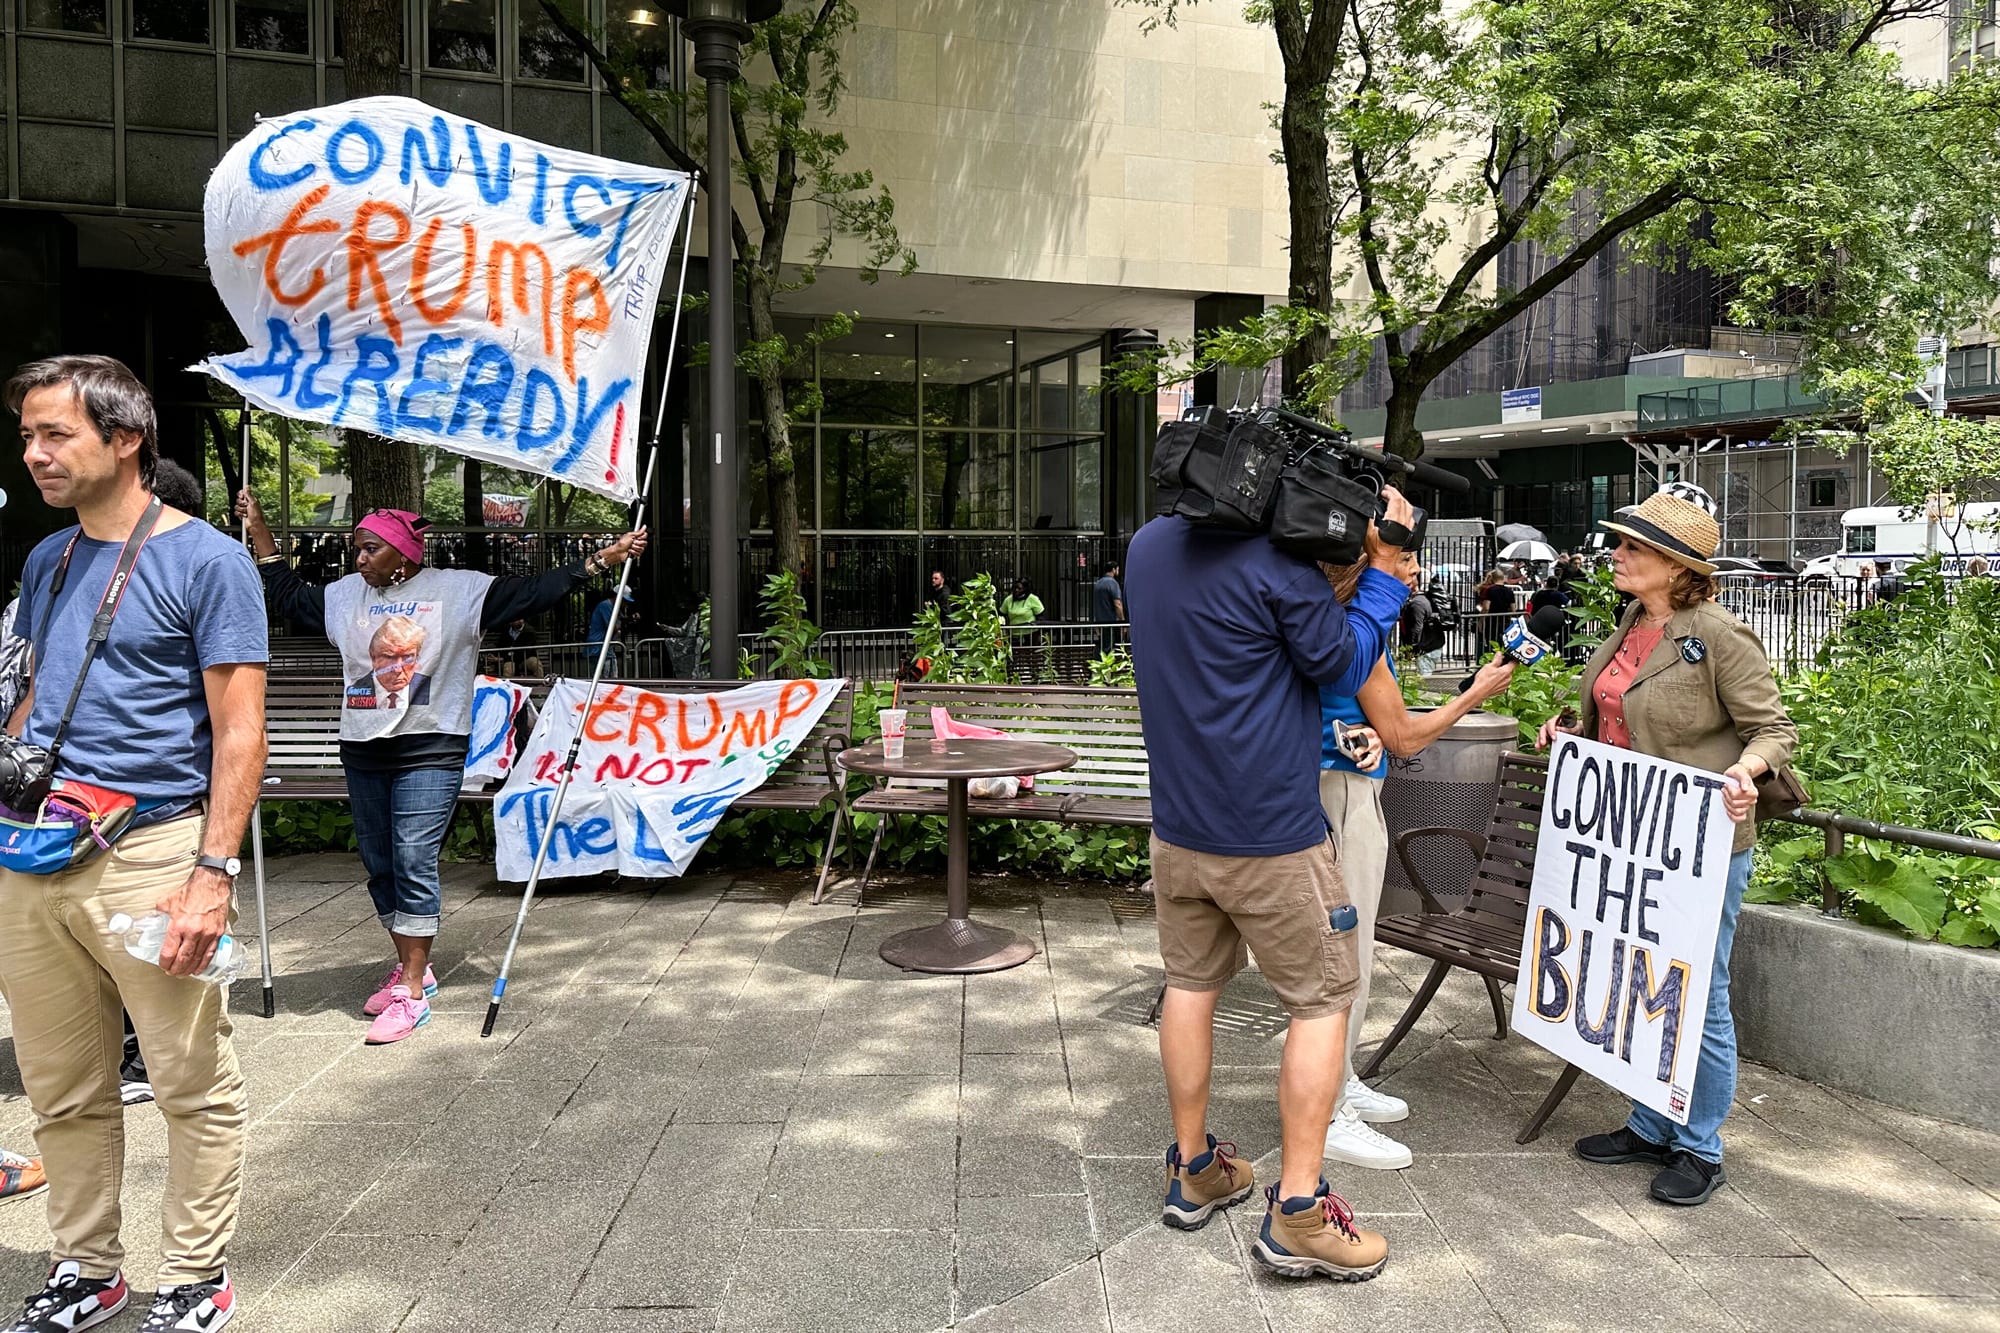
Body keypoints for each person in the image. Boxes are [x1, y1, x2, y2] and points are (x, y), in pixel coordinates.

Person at [3, 355, 268, 1332]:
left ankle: (196, 1275)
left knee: (192, 1079)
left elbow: (241, 730)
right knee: (62, 1087)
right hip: (35, 856)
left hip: (157, 851)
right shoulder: (48, 559)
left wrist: (212, 875)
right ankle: (90, 1269)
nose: (35, 453)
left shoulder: (209, 561)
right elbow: (39, 691)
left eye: (55, 433)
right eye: (27, 435)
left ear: (126, 440)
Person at [1127, 485, 1417, 1284]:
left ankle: (1193, 1167)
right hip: (1272, 840)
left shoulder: (1148, 545)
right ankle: (1298, 1212)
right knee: (1322, 1000)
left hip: (1179, 830)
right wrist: (1385, 563)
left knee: (1189, 983)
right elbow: (1346, 661)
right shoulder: (1279, 567)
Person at [236, 492, 646, 1045]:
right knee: (380, 862)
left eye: (370, 549)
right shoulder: (342, 596)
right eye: (356, 548)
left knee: (412, 853)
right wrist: (259, 528)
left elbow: (535, 592)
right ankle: (413, 963)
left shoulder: (459, 592)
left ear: (403, 555)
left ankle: (409, 988)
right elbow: (286, 595)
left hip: (432, 744)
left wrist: (602, 559)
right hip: (363, 745)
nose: (358, 558)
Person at [1533, 486, 1796, 1208]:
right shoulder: (1628, 623)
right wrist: (1570, 734)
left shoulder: (1718, 635)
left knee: (1699, 991)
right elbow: (1614, 715)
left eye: (1632, 547)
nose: (1615, 554)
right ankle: (1651, 1121)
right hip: (1627, 838)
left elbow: (1776, 730)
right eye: (1619, 543)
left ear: (1677, 566)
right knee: (1637, 975)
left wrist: (1747, 768)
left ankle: (1700, 1145)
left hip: (1698, 844)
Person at [1318, 548, 1516, 1172]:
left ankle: (1339, 1079)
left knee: (1344, 950)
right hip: (1345, 796)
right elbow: (1404, 734)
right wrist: (1476, 693)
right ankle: (1327, 1110)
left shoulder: (1319, 620)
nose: (1413, 571)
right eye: (1401, 559)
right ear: (1363, 568)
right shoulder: (1361, 636)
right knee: (1347, 956)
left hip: (1333, 787)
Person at [1475, 569, 1515, 650]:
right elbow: (1513, 609)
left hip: (1492, 621)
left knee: (1492, 644)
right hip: (1505, 621)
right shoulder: (1509, 591)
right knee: (1504, 645)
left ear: (1492, 578)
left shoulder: (1489, 590)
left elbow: (1486, 607)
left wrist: (1481, 620)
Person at [1091, 561, 1124, 652]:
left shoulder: (1098, 583)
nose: (1118, 571)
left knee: (1102, 646)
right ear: (1113, 570)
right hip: (1110, 621)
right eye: (1117, 569)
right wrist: (1122, 620)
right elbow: (1117, 604)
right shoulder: (1112, 583)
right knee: (1110, 648)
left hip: (1099, 620)